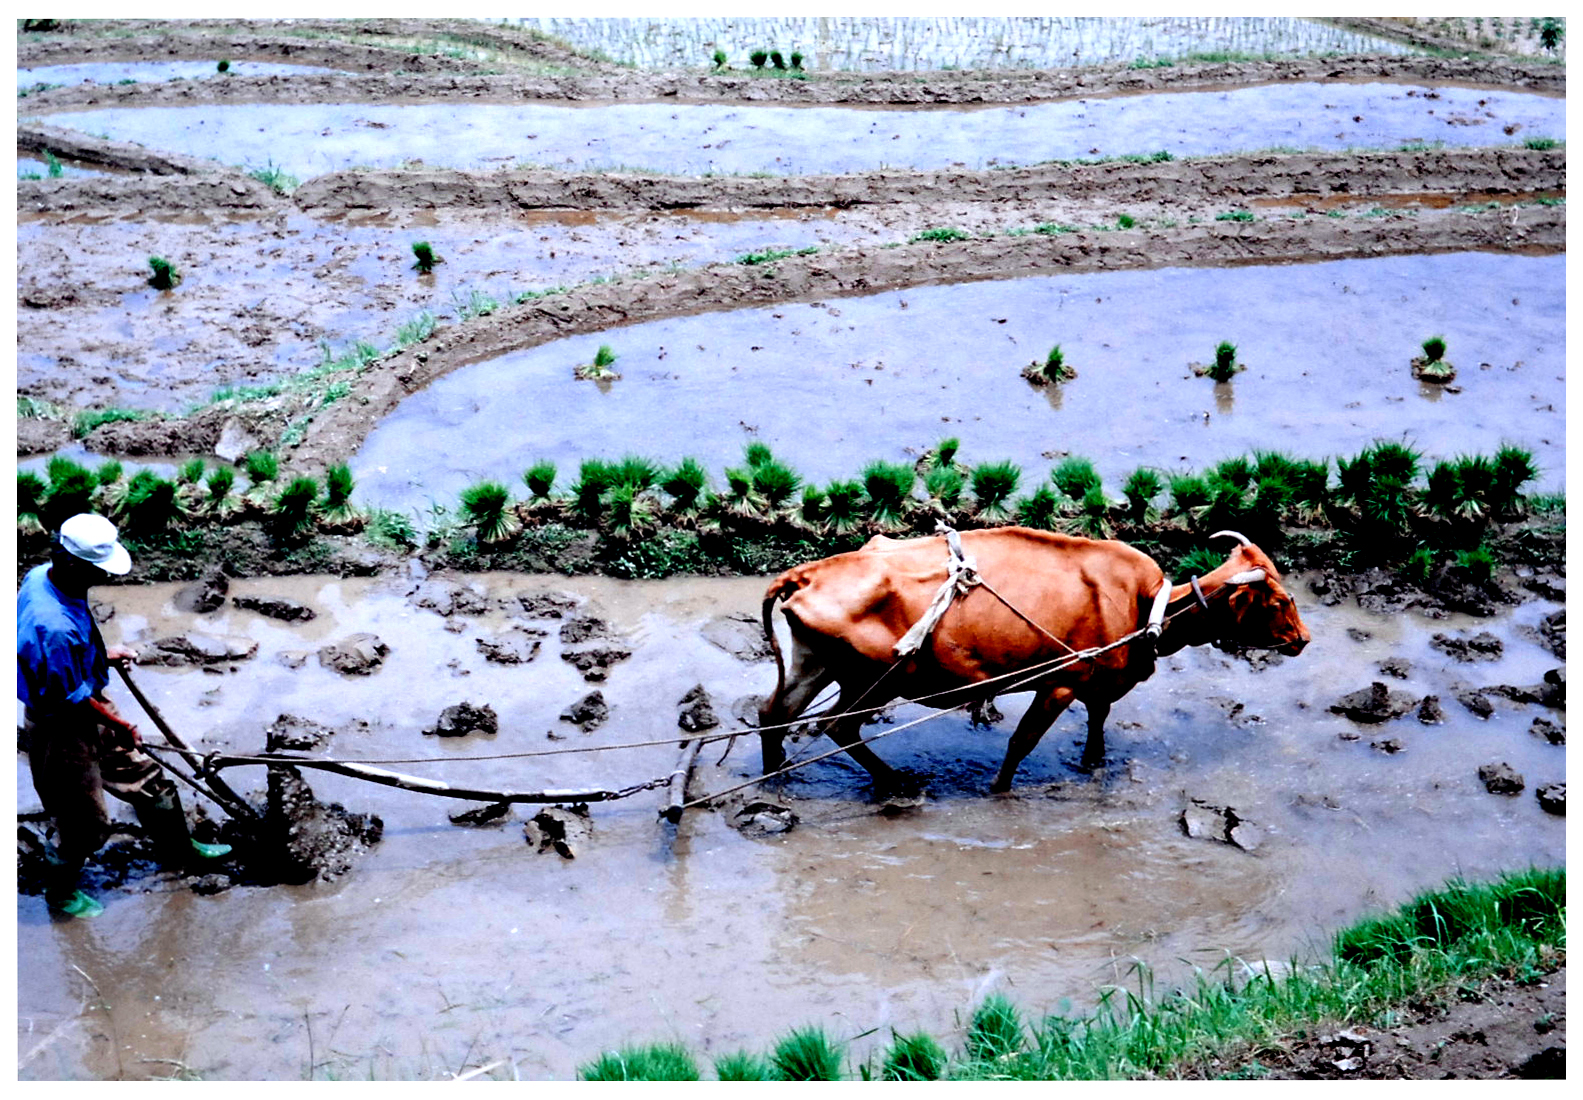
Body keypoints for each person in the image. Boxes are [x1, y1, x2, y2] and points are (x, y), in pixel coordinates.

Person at [17, 513, 231, 919]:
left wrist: (101, 655)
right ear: (74, 563)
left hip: (85, 697)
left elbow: (72, 650)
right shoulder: (53, 626)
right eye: (98, 569)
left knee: (146, 777)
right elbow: (67, 697)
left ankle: (181, 849)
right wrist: (119, 724)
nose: (105, 576)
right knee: (82, 820)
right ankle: (60, 893)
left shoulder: (45, 575)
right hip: (60, 725)